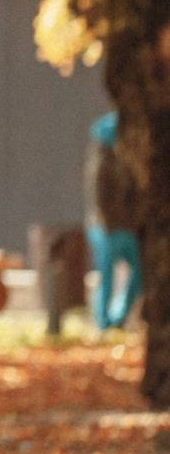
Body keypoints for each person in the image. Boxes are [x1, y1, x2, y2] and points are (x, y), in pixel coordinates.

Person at [88, 112, 143, 332]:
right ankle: (104, 323)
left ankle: (119, 317)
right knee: (106, 278)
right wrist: (108, 226)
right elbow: (101, 200)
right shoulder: (102, 165)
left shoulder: (131, 163)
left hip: (128, 229)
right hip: (107, 230)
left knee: (139, 273)